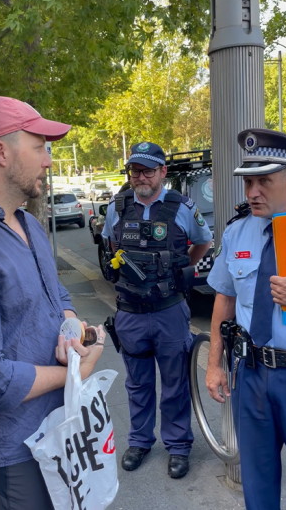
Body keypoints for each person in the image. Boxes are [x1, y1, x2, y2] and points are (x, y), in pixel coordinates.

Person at [0, 96, 104, 510]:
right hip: (14, 451)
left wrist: (73, 330)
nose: (48, 160)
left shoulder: (30, 222)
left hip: (59, 431)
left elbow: (58, 298)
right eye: (39, 147)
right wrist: (75, 369)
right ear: (1, 151)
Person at [205, 128, 286, 510]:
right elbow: (225, 297)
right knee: (258, 484)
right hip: (251, 374)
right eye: (249, 181)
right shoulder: (237, 232)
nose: (252, 192)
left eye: (264, 180)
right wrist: (214, 364)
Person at [101, 142, 212, 479]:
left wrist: (180, 272)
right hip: (130, 313)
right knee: (137, 383)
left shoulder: (181, 207)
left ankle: (178, 446)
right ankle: (139, 441)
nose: (141, 176)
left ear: (163, 172)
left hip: (169, 310)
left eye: (148, 170)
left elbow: (203, 241)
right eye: (135, 170)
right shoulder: (116, 208)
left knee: (176, 382)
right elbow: (109, 245)